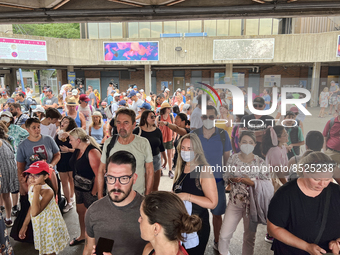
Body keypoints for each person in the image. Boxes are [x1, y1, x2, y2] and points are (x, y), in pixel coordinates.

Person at [267, 151, 340, 255]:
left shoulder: (336, 191)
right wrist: (306, 247)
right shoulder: (285, 194)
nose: (322, 184)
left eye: (328, 179)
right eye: (316, 179)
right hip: (291, 251)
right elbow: (273, 229)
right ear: (305, 171)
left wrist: (338, 241)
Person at [219, 131, 273, 255]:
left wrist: (252, 183)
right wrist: (231, 179)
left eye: (250, 142)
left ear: (254, 144)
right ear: (239, 143)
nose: (247, 144)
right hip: (234, 204)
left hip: (252, 206)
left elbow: (268, 185)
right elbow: (226, 175)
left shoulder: (260, 162)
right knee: (224, 236)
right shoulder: (233, 158)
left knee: (249, 239)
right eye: (244, 142)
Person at [83, 151, 147, 255]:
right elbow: (88, 248)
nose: (116, 186)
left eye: (124, 178)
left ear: (134, 179)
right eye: (111, 178)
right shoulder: (93, 211)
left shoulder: (149, 212)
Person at [191, 105, 232, 251]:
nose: (208, 119)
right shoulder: (194, 134)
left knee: (217, 214)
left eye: (211, 117)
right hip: (197, 180)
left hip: (217, 180)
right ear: (201, 118)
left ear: (216, 118)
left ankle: (217, 241)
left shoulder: (223, 134)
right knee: (197, 215)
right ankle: (195, 243)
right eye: (205, 117)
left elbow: (227, 158)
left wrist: (227, 177)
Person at [173, 133, 218, 255]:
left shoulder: (202, 170)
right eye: (183, 148)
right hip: (180, 225)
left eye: (189, 149)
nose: (185, 151)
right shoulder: (181, 167)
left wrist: (187, 196)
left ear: (197, 151)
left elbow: (213, 203)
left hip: (197, 228)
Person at [98, 108, 154, 198]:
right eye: (119, 122)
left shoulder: (143, 143)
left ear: (133, 125)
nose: (122, 126)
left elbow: (149, 171)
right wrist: (100, 195)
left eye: (126, 123)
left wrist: (147, 196)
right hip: (114, 196)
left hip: (137, 196)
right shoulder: (109, 143)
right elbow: (101, 170)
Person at [19, 161, 69, 255]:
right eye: (30, 175)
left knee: (50, 250)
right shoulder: (31, 186)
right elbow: (32, 206)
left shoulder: (48, 192)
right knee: (43, 249)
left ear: (45, 176)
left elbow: (34, 212)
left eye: (37, 176)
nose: (32, 179)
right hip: (39, 223)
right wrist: (24, 225)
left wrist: (37, 192)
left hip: (49, 224)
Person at [68, 128, 101, 246]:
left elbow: (99, 175)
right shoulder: (78, 150)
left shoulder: (92, 152)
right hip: (79, 188)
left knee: (92, 216)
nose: (69, 142)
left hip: (90, 189)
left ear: (78, 140)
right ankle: (83, 235)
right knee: (80, 212)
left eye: (71, 140)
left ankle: (95, 241)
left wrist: (94, 192)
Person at [133, 110, 166, 192]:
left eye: (154, 116)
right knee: (144, 188)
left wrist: (165, 159)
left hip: (156, 159)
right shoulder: (137, 131)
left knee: (155, 188)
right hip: (142, 161)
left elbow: (161, 146)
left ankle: (153, 204)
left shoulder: (157, 131)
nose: (154, 118)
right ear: (144, 118)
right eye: (151, 116)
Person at [54, 116, 77, 213]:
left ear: (70, 124)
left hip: (71, 158)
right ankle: (68, 202)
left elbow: (78, 149)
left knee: (72, 179)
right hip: (61, 159)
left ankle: (72, 197)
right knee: (64, 182)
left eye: (66, 122)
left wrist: (68, 150)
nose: (63, 123)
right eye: (63, 121)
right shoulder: (57, 134)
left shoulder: (73, 134)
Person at [0, 124, 19, 227]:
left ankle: (7, 218)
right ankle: (8, 218)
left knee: (5, 195)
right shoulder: (6, 142)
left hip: (4, 170)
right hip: (9, 169)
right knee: (6, 195)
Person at [156, 102, 175, 178]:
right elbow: (156, 129)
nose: (170, 109)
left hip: (169, 137)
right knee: (161, 155)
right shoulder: (159, 118)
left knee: (169, 154)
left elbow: (174, 127)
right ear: (164, 109)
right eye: (168, 108)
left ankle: (170, 170)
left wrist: (174, 136)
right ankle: (160, 170)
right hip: (161, 138)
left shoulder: (171, 116)